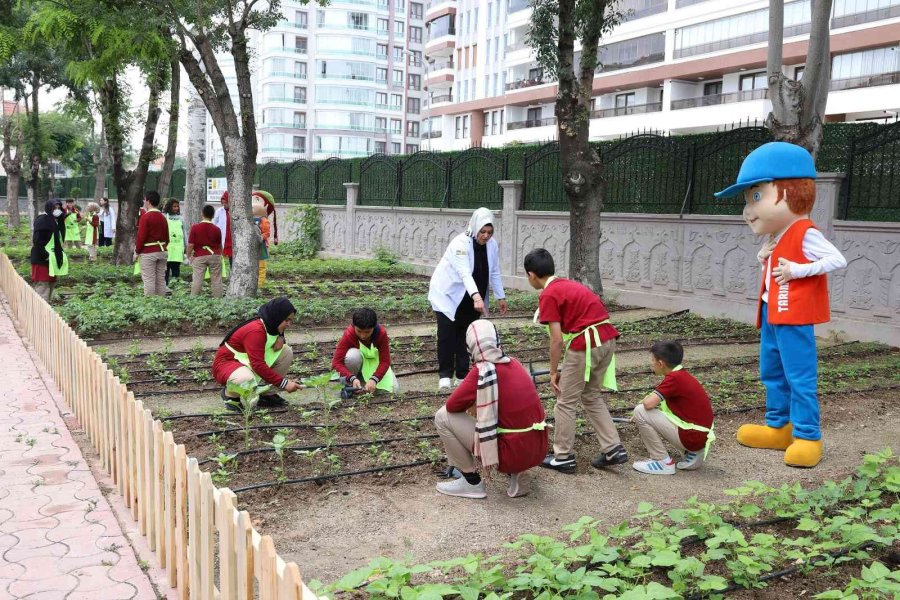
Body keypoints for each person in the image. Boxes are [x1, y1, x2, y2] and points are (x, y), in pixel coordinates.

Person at [714, 142, 846, 468]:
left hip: (794, 317)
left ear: (791, 191)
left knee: (799, 377)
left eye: (756, 196)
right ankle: (778, 427)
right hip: (771, 313)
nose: (748, 210)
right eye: (747, 200)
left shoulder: (805, 232)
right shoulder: (776, 236)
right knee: (772, 372)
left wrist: (797, 270)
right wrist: (764, 258)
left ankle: (808, 436)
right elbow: (775, 272)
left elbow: (836, 259)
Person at [524, 248, 626, 474]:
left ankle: (563, 457)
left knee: (565, 401)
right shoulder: (568, 284)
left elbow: (556, 340)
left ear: (531, 275)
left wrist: (553, 371)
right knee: (591, 395)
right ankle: (613, 447)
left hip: (586, 343)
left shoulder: (549, 294)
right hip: (607, 339)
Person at [434, 320, 548, 499]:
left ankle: (471, 482)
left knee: (442, 416)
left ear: (470, 346)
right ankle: (518, 471)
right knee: (510, 419)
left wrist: (473, 402)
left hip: (510, 453)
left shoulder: (482, 371)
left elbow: (452, 406)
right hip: (538, 448)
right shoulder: (515, 363)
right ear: (497, 340)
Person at [428, 207, 508, 391]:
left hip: (470, 297)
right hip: (448, 295)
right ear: (475, 227)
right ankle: (445, 375)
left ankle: (462, 374)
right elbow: (464, 273)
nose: (486, 236)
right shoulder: (460, 244)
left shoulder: (492, 245)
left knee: (466, 334)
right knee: (447, 334)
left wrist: (500, 296)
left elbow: (494, 271)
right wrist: (477, 297)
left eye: (489, 232)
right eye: (483, 231)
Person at [631, 341, 715, 475]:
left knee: (640, 411)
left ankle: (661, 462)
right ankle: (693, 452)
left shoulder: (674, 379)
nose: (651, 364)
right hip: (701, 436)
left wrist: (642, 411)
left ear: (660, 363)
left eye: (652, 361)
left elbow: (648, 404)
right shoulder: (682, 375)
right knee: (644, 411)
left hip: (692, 437)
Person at [213, 297, 304, 410]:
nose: (289, 324)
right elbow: (258, 365)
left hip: (245, 361)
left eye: (291, 320)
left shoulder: (271, 324)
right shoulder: (256, 330)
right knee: (246, 379)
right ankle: (230, 396)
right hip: (226, 363)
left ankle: (266, 394)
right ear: (277, 316)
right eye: (287, 320)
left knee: (286, 352)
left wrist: (281, 337)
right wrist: (284, 383)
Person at [331, 308, 399, 394]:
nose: (363, 336)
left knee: (394, 389)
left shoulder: (380, 333)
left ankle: (364, 384)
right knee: (352, 356)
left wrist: (374, 379)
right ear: (354, 326)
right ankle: (351, 385)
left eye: (367, 332)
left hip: (374, 366)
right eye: (359, 331)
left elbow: (385, 361)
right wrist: (352, 378)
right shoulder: (349, 334)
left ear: (374, 327)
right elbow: (336, 363)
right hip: (356, 368)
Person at [30, 200, 68, 302]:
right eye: (55, 208)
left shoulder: (56, 221)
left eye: (59, 208)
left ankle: (47, 307)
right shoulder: (43, 220)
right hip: (41, 259)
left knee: (51, 283)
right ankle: (40, 308)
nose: (57, 210)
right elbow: (38, 241)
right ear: (49, 208)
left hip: (52, 259)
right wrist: (45, 256)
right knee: (43, 285)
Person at [134, 191, 170, 297]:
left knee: (149, 280)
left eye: (145, 199)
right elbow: (167, 238)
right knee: (161, 279)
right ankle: (160, 302)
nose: (144, 201)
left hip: (148, 252)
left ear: (148, 201)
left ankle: (150, 303)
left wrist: (137, 252)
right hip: (162, 251)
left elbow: (141, 237)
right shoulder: (163, 217)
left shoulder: (146, 217)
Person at [187, 204, 224, 297]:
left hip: (199, 256)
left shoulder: (195, 227)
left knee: (197, 279)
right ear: (213, 215)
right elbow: (220, 245)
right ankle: (218, 298)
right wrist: (220, 255)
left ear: (202, 213)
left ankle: (194, 298)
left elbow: (191, 244)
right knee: (216, 279)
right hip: (214, 255)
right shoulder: (217, 229)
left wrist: (188, 255)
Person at [163, 198, 188, 289]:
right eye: (174, 206)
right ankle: (165, 287)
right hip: (167, 248)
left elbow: (184, 233)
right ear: (169, 207)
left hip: (178, 248)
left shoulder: (181, 218)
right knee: (166, 269)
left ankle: (176, 287)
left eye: (177, 206)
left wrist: (186, 246)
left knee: (176, 269)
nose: (176, 208)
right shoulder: (164, 217)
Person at [252, 195, 270, 286]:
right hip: (253, 244)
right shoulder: (250, 219)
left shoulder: (264, 221)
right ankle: (256, 282)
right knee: (255, 264)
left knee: (261, 265)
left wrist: (260, 237)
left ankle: (260, 283)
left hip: (261, 245)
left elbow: (266, 233)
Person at [212, 192, 233, 269]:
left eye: (226, 203)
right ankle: (220, 271)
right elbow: (214, 223)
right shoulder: (219, 211)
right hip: (222, 236)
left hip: (231, 238)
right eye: (223, 203)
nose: (224, 204)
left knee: (232, 257)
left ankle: (232, 271)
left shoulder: (234, 211)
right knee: (220, 256)